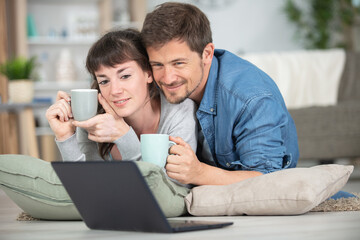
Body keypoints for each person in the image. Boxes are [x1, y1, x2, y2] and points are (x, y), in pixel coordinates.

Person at [141, 2, 299, 186]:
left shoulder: (250, 100)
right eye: (157, 64)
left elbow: (267, 180)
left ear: (207, 53)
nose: (167, 79)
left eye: (178, 63)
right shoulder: (157, 83)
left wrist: (199, 173)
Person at [46, 29, 197, 167]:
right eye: (104, 81)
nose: (115, 91)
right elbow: (86, 186)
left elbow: (168, 189)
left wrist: (124, 136)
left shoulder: (179, 111)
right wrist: (66, 137)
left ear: (148, 74)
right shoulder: (95, 120)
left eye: (125, 76)